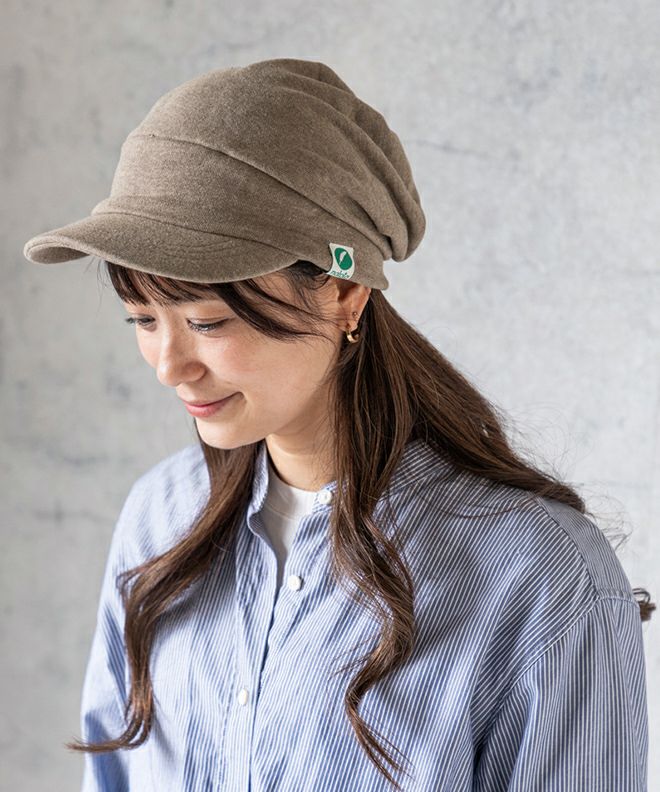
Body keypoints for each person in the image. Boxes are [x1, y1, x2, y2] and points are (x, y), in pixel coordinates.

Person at [22, 58, 652, 792]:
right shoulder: (160, 517)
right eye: (142, 319)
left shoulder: (541, 576)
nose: (169, 366)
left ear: (345, 292)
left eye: (207, 321)